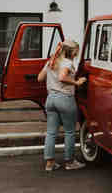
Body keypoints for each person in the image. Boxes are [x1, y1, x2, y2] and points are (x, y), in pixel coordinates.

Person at [37, 40, 87, 172]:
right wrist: (77, 82)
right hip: (65, 99)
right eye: (76, 51)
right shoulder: (67, 63)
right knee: (70, 132)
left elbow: (39, 78)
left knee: (51, 132)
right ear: (72, 52)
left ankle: (50, 163)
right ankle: (70, 162)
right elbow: (62, 77)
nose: (77, 54)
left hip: (50, 99)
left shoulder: (52, 61)